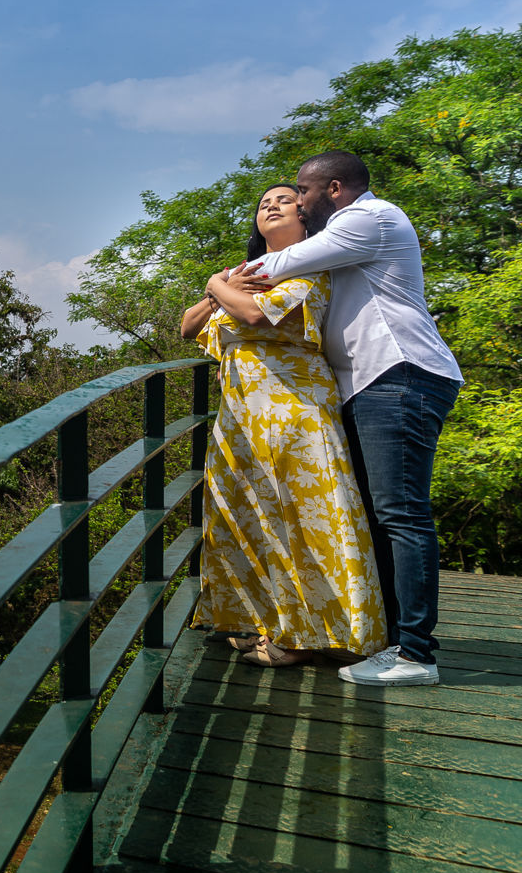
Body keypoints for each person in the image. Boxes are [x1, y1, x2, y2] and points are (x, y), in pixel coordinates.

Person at [229, 149, 462, 687]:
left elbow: (276, 266)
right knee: (382, 515)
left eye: (303, 195)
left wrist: (223, 280)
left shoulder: (370, 218)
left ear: (333, 189)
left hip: (399, 375)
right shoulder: (349, 233)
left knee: (402, 514)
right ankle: (390, 639)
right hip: (369, 384)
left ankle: (416, 654)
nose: (299, 205)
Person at [181, 183, 386, 666]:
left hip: (295, 409)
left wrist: (216, 285)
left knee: (305, 518)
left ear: (305, 215)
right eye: (262, 203)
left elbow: (254, 314)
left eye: (284, 200)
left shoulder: (310, 268)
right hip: (242, 415)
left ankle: (308, 636)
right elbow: (188, 328)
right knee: (250, 515)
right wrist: (220, 289)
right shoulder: (246, 274)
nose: (270, 206)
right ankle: (260, 620)